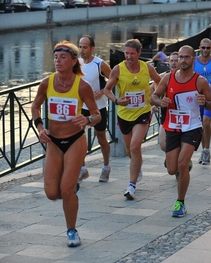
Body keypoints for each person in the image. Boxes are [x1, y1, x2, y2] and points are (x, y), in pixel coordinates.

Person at [30, 40, 101, 247]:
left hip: (75, 140)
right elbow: (35, 107)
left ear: (73, 61)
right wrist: (40, 127)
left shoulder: (83, 86)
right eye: (55, 57)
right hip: (53, 141)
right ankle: (71, 187)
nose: (58, 61)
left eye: (62, 57)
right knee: (52, 193)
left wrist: (87, 119)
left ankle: (72, 230)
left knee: (66, 190)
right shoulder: (47, 83)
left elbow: (96, 115)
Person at [151, 45, 211, 217]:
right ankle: (183, 168)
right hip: (172, 126)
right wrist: (159, 102)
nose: (183, 60)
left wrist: (204, 102)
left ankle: (180, 202)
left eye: (187, 57)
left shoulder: (200, 81)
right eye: (180, 57)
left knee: (182, 164)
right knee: (172, 169)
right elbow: (153, 96)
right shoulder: (168, 78)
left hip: (192, 127)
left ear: (193, 59)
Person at [103, 39, 161, 200]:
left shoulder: (146, 67)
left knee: (135, 147)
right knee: (130, 150)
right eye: (126, 53)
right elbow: (106, 90)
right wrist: (116, 100)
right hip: (124, 114)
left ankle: (131, 185)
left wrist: (155, 96)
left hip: (142, 112)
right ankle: (137, 167)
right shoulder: (118, 69)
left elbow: (159, 81)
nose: (129, 56)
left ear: (139, 53)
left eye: (132, 54)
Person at [152, 51, 192, 180]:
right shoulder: (164, 77)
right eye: (172, 61)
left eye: (176, 60)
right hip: (167, 118)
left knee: (181, 144)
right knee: (163, 144)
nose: (174, 63)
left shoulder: (187, 78)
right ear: (168, 63)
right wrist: (156, 104)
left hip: (185, 120)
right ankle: (172, 156)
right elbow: (153, 92)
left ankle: (182, 164)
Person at [78, 34, 112, 183]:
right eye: (80, 46)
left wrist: (103, 90)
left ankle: (106, 166)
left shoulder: (100, 64)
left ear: (92, 48)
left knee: (101, 138)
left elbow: (113, 79)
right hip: (82, 106)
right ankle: (82, 169)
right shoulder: (76, 63)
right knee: (78, 138)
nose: (82, 50)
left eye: (85, 47)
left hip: (98, 107)